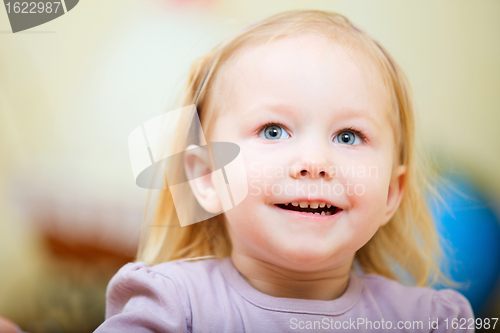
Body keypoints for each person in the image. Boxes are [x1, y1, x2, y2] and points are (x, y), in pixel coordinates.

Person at [95, 9, 474, 332]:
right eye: (273, 131)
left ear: (392, 191)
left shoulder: (429, 320)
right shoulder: (172, 309)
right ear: (207, 176)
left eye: (348, 136)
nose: (315, 163)